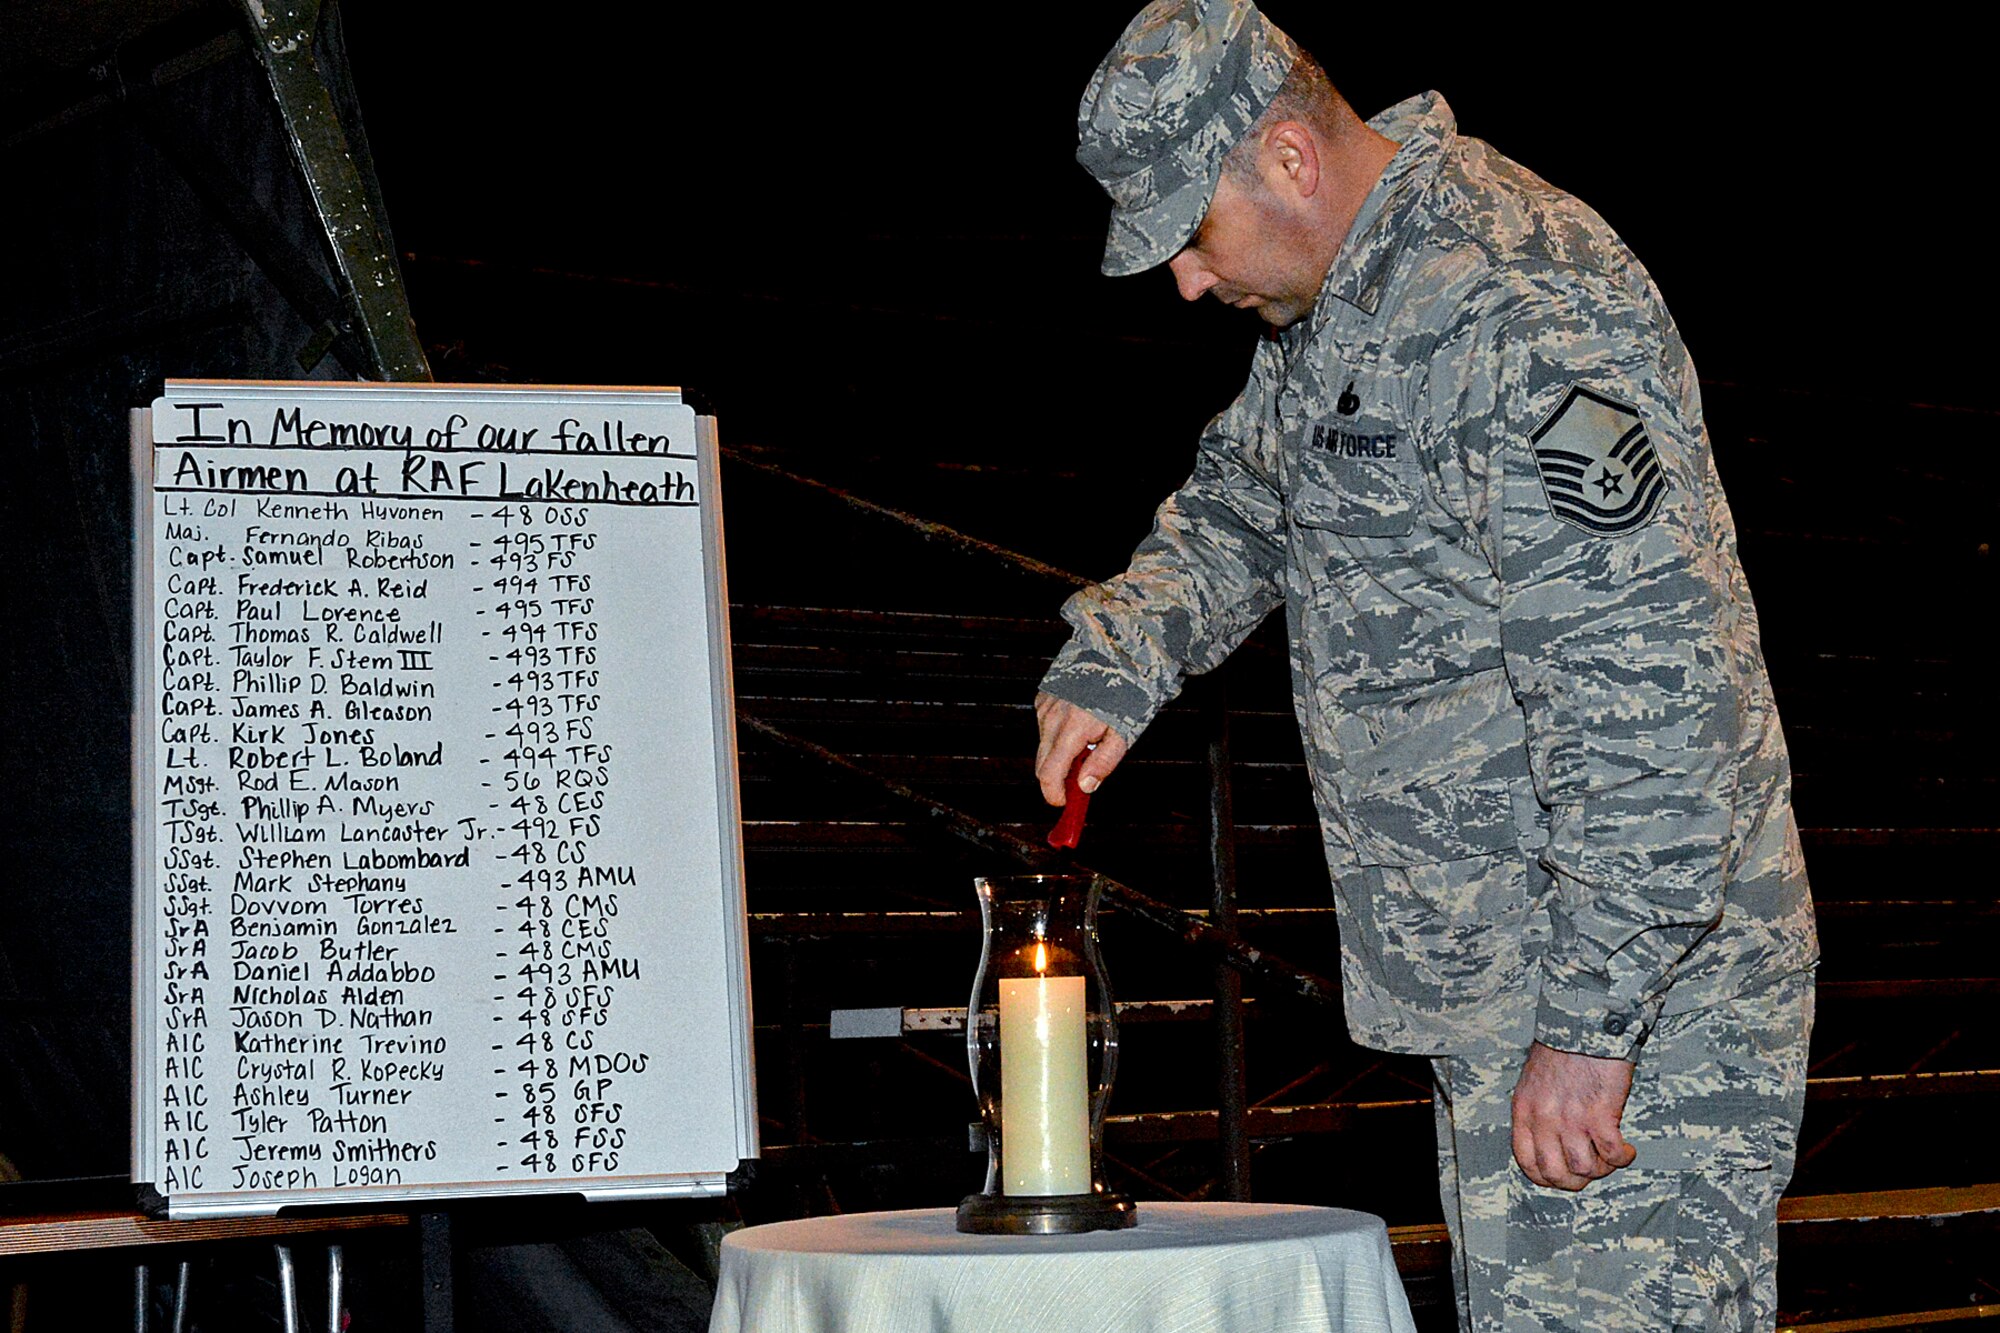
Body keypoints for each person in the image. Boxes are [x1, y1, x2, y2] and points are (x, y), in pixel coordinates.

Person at [1032, 3, 1819, 1329]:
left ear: (1287, 157)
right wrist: (1120, 653)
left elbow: (1660, 690)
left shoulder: (1522, 300)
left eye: (1189, 232)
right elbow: (1244, 504)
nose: (1182, 282)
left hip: (1642, 1012)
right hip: (1512, 999)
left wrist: (1593, 1020)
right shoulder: (1344, 306)